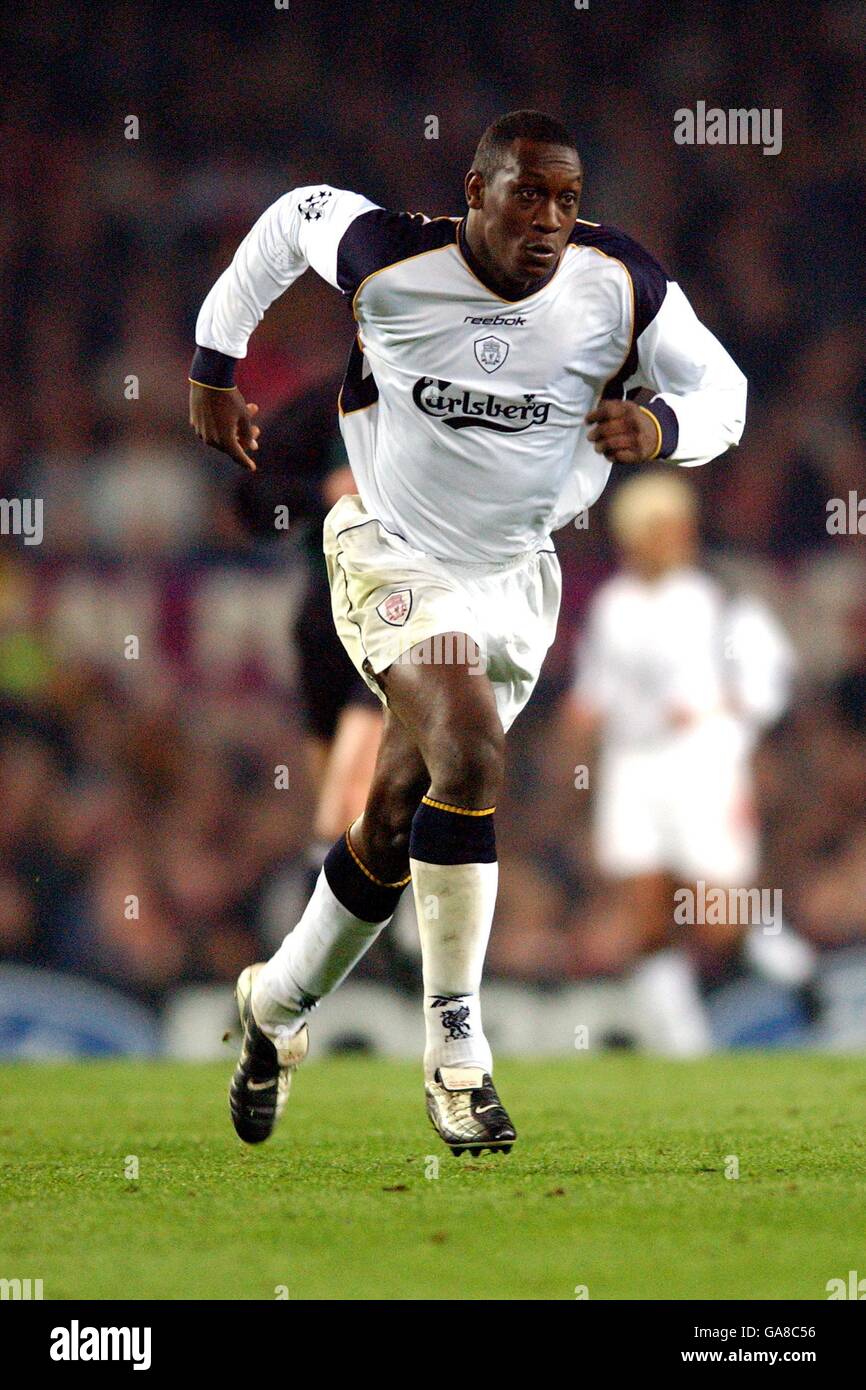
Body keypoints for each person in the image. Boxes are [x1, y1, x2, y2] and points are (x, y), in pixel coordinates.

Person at [188, 109, 746, 1156]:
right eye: (526, 193)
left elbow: (726, 392)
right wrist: (213, 365)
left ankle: (271, 1011)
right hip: (387, 549)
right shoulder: (388, 257)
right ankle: (457, 1055)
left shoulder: (618, 284)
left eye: (567, 200)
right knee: (469, 746)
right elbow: (285, 221)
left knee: (396, 814)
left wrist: (666, 428)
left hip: (511, 580)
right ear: (476, 190)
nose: (547, 219)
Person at [565, 470, 812, 1053]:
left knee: (715, 915)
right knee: (647, 907)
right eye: (657, 527)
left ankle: (772, 948)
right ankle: (682, 1040)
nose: (672, 537)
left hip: (703, 764)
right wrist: (576, 747)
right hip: (633, 768)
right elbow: (593, 695)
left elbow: (771, 677)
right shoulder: (613, 606)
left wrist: (728, 711)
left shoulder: (718, 599)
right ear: (632, 536)